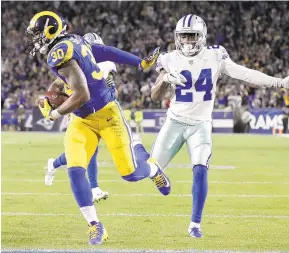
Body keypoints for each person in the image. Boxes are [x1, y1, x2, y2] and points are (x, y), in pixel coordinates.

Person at [26, 11, 170, 245]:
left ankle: (152, 169)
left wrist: (55, 112)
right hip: (82, 121)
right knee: (75, 169)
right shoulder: (74, 41)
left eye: (37, 34)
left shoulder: (59, 52)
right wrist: (140, 62)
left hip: (107, 115)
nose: (35, 39)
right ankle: (96, 226)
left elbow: (81, 94)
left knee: (131, 174)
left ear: (49, 31)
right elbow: (103, 52)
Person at [151, 14, 289, 238]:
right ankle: (145, 157)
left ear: (202, 36)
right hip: (174, 121)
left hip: (201, 125)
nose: (186, 41)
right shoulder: (168, 59)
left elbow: (244, 74)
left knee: (200, 168)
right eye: (182, 36)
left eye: (191, 36)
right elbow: (154, 95)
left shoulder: (215, 55)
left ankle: (195, 225)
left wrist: (279, 82)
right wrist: (165, 79)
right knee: (150, 169)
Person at [45, 33, 119, 203]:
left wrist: (109, 92)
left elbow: (114, 92)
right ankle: (94, 188)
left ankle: (54, 164)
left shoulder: (105, 65)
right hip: (80, 110)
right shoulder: (76, 63)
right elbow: (56, 84)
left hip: (97, 110)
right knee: (88, 149)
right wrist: (49, 100)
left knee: (85, 150)